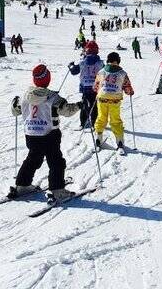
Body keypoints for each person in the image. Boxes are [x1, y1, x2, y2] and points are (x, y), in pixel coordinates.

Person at [8, 65, 81, 201]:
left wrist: (14, 103)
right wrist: (80, 105)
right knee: (56, 161)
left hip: (31, 135)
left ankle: (22, 184)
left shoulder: (25, 96)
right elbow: (67, 111)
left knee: (33, 159)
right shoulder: (53, 98)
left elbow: (15, 110)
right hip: (50, 135)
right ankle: (58, 189)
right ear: (48, 79)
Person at [93, 51, 134, 153]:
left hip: (102, 98)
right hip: (114, 100)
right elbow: (127, 87)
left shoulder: (101, 71)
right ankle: (119, 142)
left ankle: (98, 138)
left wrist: (99, 90)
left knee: (101, 117)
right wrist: (130, 92)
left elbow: (95, 86)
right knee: (115, 120)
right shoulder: (122, 73)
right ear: (117, 61)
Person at [68, 40, 103, 129]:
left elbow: (74, 71)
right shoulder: (100, 63)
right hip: (96, 87)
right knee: (95, 105)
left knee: (84, 104)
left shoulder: (82, 62)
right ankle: (94, 122)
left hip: (85, 87)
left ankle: (83, 122)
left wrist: (71, 66)